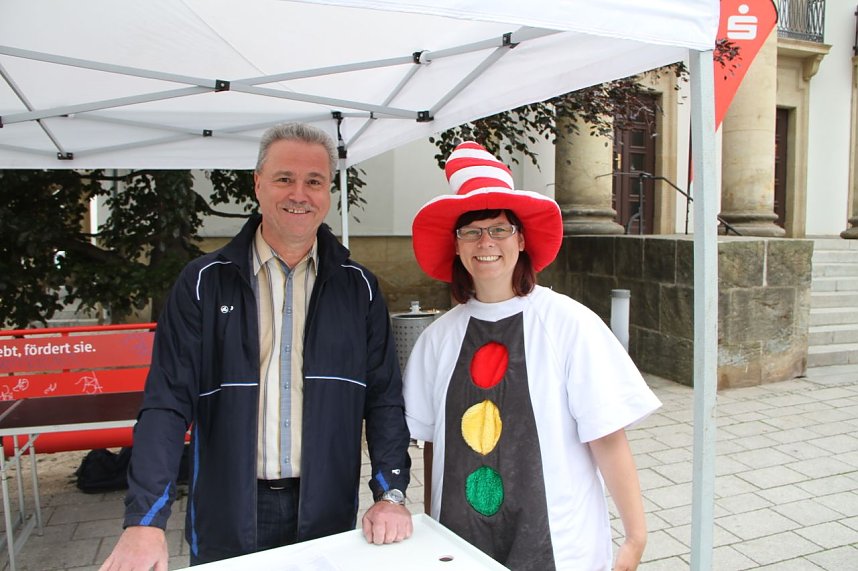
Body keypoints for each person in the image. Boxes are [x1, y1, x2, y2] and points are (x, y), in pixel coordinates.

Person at [100, 122, 412, 570]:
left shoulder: (358, 288)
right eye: (285, 178)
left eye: (314, 181)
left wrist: (392, 493)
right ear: (258, 184)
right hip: (228, 506)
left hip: (327, 503)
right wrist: (145, 520)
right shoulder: (203, 283)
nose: (299, 194)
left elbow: (383, 400)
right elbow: (166, 403)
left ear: (329, 192)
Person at [403, 141, 661, 570]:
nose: (486, 242)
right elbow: (433, 444)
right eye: (472, 231)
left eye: (499, 229)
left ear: (521, 239)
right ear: (457, 245)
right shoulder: (437, 339)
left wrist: (635, 537)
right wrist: (432, 525)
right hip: (462, 541)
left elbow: (607, 435)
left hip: (557, 542)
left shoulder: (568, 324)